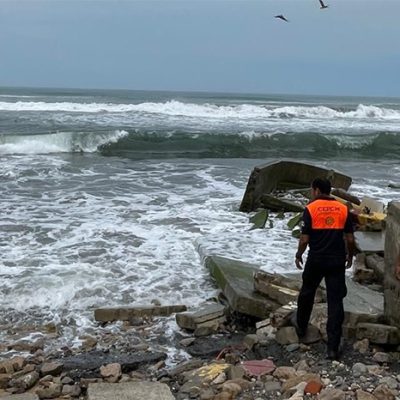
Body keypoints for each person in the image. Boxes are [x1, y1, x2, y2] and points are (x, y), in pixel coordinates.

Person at [294, 177, 355, 360]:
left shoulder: (310, 209)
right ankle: (332, 348)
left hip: (316, 259)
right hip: (336, 261)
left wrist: (299, 254)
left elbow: (304, 239)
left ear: (317, 190)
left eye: (312, 190)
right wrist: (350, 256)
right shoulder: (343, 209)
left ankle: (301, 327)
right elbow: (350, 239)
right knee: (335, 301)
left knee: (307, 292)